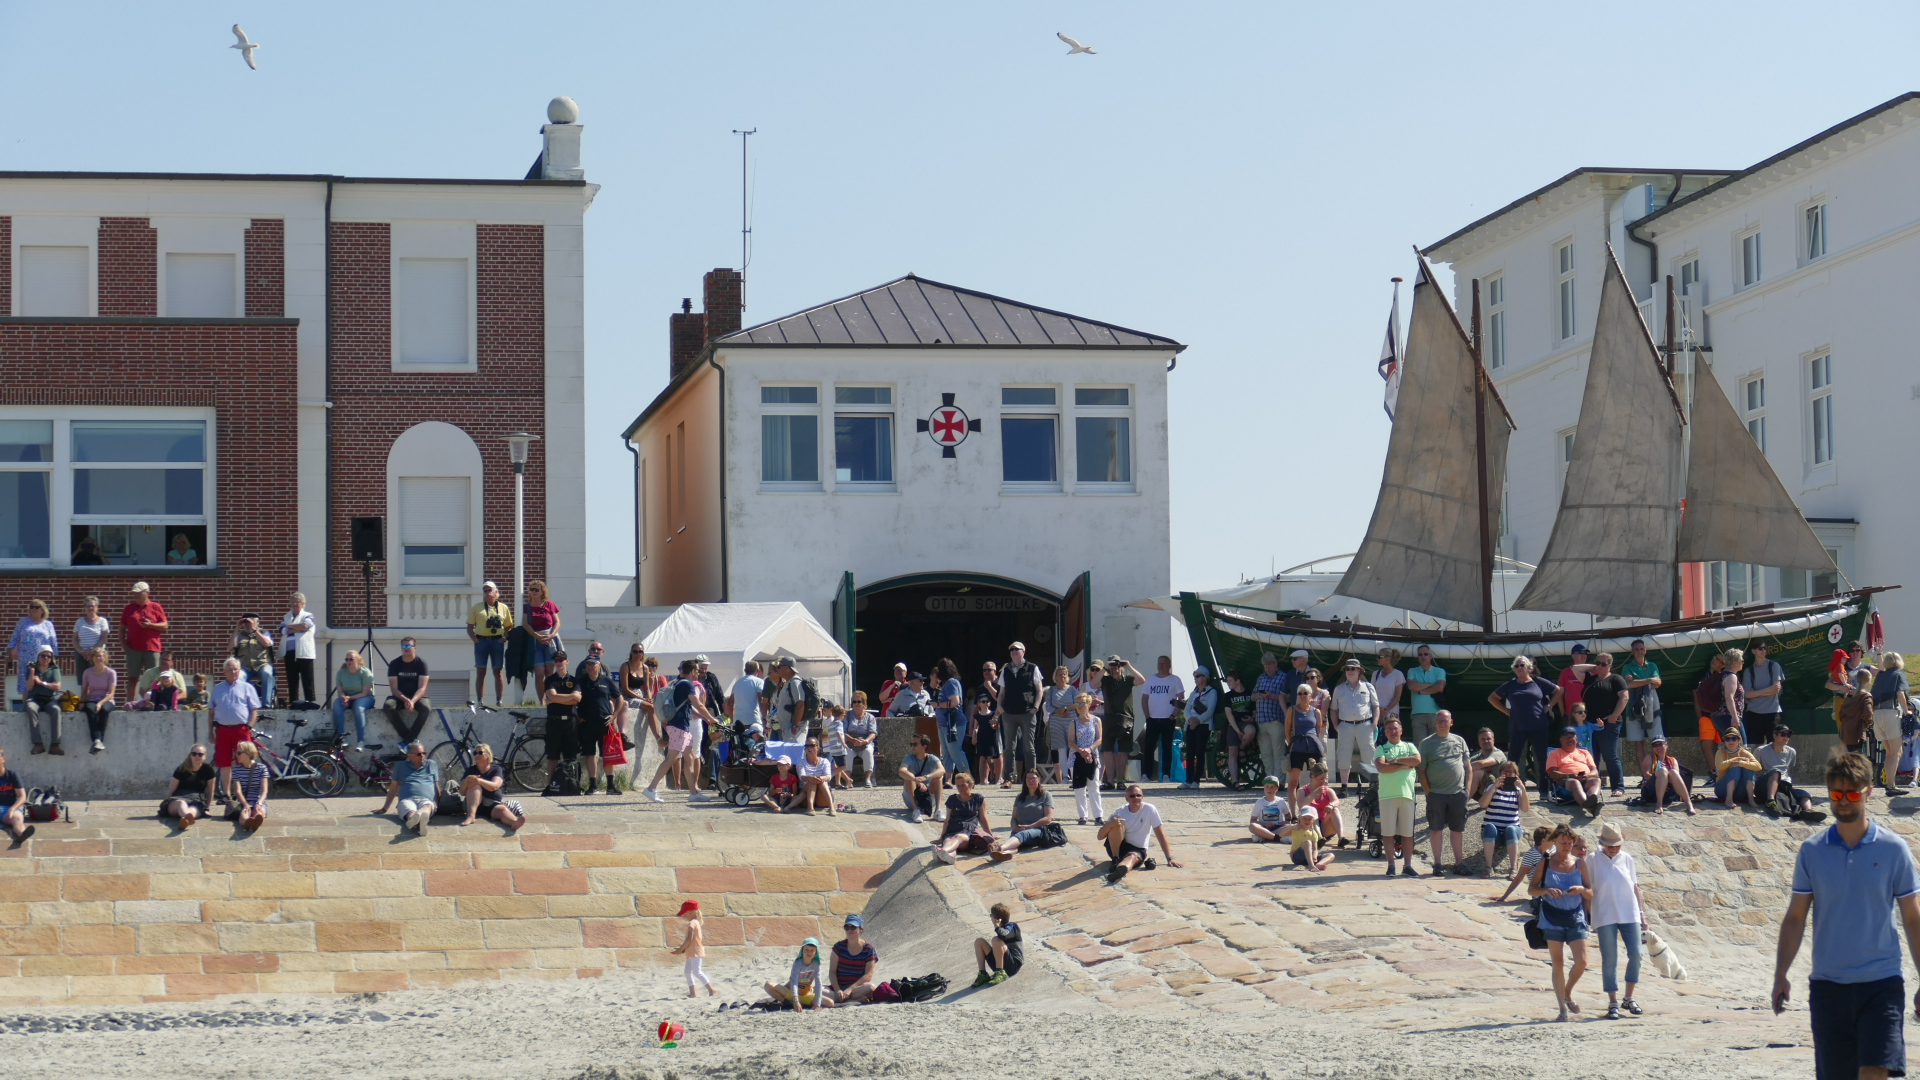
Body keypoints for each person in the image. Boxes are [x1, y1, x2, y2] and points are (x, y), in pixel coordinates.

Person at [1773, 751, 1920, 1080]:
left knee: (1873, 1071)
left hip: (1882, 984)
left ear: (1868, 792)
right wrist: (1781, 973)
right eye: (1836, 794)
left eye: (1852, 794)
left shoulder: (1894, 849)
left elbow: (1913, 918)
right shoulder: (1812, 851)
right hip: (1828, 987)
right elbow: (1796, 917)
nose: (1843, 801)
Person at [1530, 827, 1593, 1021]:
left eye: (1570, 843)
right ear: (1555, 842)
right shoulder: (1546, 862)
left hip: (1575, 916)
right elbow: (1532, 889)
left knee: (1582, 961)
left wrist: (1581, 889)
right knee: (1558, 963)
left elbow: (1591, 892)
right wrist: (1547, 890)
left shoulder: (1580, 863)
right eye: (1563, 842)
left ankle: (1567, 992)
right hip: (1551, 917)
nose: (1567, 846)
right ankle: (1562, 1010)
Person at [1587, 820, 1646, 1020]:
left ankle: (1628, 998)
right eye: (1610, 846)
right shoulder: (1593, 859)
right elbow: (1587, 888)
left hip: (1630, 913)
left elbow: (1635, 887)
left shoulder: (1627, 858)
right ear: (1602, 844)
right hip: (1604, 913)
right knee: (1610, 958)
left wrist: (1642, 914)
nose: (1613, 849)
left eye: (1617, 846)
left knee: (1637, 954)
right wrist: (1586, 914)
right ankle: (1613, 1001)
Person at [643, 659, 717, 803]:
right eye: (697, 671)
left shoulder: (678, 683)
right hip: (679, 727)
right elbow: (699, 705)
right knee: (671, 759)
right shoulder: (687, 684)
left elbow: (691, 707)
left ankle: (694, 793)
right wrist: (711, 718)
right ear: (693, 671)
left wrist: (706, 719)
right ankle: (651, 789)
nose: (699, 673)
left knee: (689, 757)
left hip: (680, 726)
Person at [1490, 656, 1561, 800]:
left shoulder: (1538, 682)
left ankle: (1544, 790)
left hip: (1539, 725)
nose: (1519, 668)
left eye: (1522, 665)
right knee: (1513, 758)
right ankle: (1512, 788)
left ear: (1529, 668)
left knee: (1542, 758)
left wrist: (1549, 705)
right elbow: (1492, 698)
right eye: (1516, 666)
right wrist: (1505, 711)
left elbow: (1559, 691)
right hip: (1518, 726)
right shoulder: (1510, 684)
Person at [1419, 708, 1472, 876]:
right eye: (1440, 720)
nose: (1443, 723)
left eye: (1446, 720)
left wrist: (1467, 790)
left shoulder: (1459, 741)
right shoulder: (1426, 743)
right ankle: (1437, 863)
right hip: (1436, 794)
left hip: (1457, 793)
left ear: (1451, 722)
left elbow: (1468, 767)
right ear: (1435, 723)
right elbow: (1422, 771)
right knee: (1436, 829)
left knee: (1457, 829)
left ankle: (1459, 863)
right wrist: (1429, 792)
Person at [1099, 784, 1181, 884]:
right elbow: (1100, 836)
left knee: (1131, 858)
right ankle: (1116, 860)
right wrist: (1111, 824)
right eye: (1132, 796)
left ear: (1143, 797)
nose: (1136, 798)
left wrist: (1169, 858)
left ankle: (1120, 870)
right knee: (1117, 825)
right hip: (1117, 847)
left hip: (1138, 849)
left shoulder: (1150, 809)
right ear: (1127, 798)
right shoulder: (1120, 811)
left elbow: (1161, 835)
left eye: (1138, 795)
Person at [1579, 652, 1630, 797]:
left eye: (1604, 664)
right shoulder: (1590, 679)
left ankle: (1618, 786)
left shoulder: (1616, 679)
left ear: (1610, 665)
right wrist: (1595, 666)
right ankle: (1593, 786)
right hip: (1590, 724)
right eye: (1598, 663)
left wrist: (1615, 715)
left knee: (1610, 755)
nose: (1600, 666)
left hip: (1609, 723)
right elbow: (1576, 669)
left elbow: (1624, 697)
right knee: (1591, 756)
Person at [1375, 718, 1421, 877]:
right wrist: (1404, 765)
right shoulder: (1381, 748)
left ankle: (1407, 865)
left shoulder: (1409, 746)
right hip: (1388, 795)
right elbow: (1381, 767)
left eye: (1395, 728)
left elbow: (1416, 760)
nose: (1393, 731)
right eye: (1389, 729)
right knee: (1388, 833)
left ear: (1401, 730)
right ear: (1385, 732)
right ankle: (1391, 864)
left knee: (1408, 833)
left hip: (1407, 794)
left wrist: (1394, 761)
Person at [208, 657, 260, 795]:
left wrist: (248, 727)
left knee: (244, 761)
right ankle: (227, 794)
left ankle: (245, 793)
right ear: (224, 671)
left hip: (241, 729)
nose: (233, 672)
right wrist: (210, 732)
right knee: (224, 763)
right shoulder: (217, 689)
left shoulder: (247, 687)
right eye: (230, 669)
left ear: (240, 670)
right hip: (223, 729)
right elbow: (211, 712)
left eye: (236, 669)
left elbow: (254, 710)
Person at [995, 642, 1045, 784]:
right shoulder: (1006, 669)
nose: (1014, 651)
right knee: (1009, 747)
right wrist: (1000, 707)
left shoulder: (1032, 668)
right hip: (1009, 712)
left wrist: (1035, 707)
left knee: (1028, 746)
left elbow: (1039, 690)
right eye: (1011, 650)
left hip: (1027, 712)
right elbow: (1002, 692)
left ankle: (1032, 777)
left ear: (1023, 651)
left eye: (1017, 649)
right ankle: (1008, 778)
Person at [1328, 657, 1379, 795]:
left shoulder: (1368, 687)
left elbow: (1376, 706)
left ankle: (1371, 786)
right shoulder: (1338, 689)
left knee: (1369, 753)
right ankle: (1344, 786)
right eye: (1347, 669)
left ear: (1359, 671)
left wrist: (1374, 722)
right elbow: (1333, 709)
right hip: (1345, 725)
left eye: (1353, 668)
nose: (1350, 671)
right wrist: (1336, 725)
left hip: (1365, 724)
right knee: (1343, 755)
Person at [991, 770, 1065, 860]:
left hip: (1038, 829)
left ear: (1039, 780)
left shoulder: (1046, 795)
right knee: (1017, 842)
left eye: (1033, 778)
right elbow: (1014, 817)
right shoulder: (1020, 797)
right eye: (1028, 778)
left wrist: (1030, 826)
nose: (1030, 781)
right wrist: (1014, 827)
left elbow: (1049, 818)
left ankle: (1000, 848)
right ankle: (1003, 854)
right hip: (1020, 829)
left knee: (1023, 834)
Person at [575, 655, 621, 795]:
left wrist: (614, 716)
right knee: (589, 754)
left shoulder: (606, 681)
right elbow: (574, 698)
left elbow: (620, 698)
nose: (590, 667)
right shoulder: (581, 682)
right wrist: (577, 716)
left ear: (599, 666)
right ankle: (593, 785)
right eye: (588, 664)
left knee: (607, 754)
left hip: (604, 723)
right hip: (587, 724)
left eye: (593, 664)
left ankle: (610, 785)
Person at [1755, 725, 1820, 822]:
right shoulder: (1761, 751)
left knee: (1804, 794)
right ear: (1775, 735)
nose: (1786, 737)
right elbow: (1755, 770)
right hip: (1765, 785)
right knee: (1776, 772)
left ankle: (1808, 811)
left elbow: (1788, 770)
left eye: (1788, 735)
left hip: (1783, 785)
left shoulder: (1791, 752)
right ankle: (1770, 802)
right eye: (1783, 734)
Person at [1098, 655, 1144, 790]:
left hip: (1126, 718)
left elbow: (1141, 680)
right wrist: (1105, 668)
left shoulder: (1128, 679)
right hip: (1110, 718)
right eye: (1113, 665)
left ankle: (1120, 781)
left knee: (1123, 751)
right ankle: (1110, 781)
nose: (1115, 667)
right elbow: (1093, 683)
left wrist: (1128, 666)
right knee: (1107, 750)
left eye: (1117, 665)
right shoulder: (1106, 680)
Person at [118, 583, 168, 706]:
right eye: (135, 593)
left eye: (139, 593)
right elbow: (122, 628)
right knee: (132, 677)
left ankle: (152, 703)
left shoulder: (156, 607)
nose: (136, 595)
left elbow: (165, 626)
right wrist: (124, 645)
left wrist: (150, 625)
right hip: (133, 649)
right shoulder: (129, 608)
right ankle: (130, 704)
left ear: (147, 593)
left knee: (154, 678)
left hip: (152, 648)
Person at [1477, 760, 1530, 877]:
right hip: (1493, 831)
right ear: (1500, 773)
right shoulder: (1492, 787)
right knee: (1489, 827)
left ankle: (1513, 868)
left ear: (1516, 775)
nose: (1508, 774)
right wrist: (1495, 787)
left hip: (1511, 830)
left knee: (1511, 829)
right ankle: (1488, 867)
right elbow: (1483, 804)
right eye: (1505, 771)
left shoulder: (1518, 790)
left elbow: (1525, 809)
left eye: (1512, 772)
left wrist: (1523, 789)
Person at [1619, 639, 1664, 776]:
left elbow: (1658, 683)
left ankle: (1660, 772)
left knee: (1658, 742)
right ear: (1633, 652)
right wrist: (1649, 680)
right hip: (1634, 708)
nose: (1640, 651)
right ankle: (1645, 776)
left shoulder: (1652, 666)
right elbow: (1628, 684)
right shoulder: (1628, 667)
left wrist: (1639, 681)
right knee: (1639, 743)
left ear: (1645, 650)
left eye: (1641, 649)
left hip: (1652, 707)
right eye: (1637, 649)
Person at [466, 580, 514, 706]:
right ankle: (480, 700)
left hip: (497, 641)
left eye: (490, 590)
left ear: (496, 592)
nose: (487, 593)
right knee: (481, 670)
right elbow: (470, 626)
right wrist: (475, 639)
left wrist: (504, 638)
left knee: (498, 671)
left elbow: (509, 626)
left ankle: (499, 700)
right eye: (485, 591)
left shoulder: (503, 608)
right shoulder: (477, 607)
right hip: (481, 641)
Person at [541, 649, 582, 794]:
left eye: (561, 660)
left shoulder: (574, 680)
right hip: (554, 722)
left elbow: (577, 699)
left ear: (567, 661)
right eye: (556, 660)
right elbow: (551, 697)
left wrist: (558, 698)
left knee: (571, 756)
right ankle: (550, 786)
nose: (558, 663)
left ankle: (572, 785)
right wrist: (568, 699)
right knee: (553, 756)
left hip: (570, 722)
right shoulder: (550, 680)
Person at [1139, 655, 1185, 784]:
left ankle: (1166, 775)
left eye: (1164, 663)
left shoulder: (1175, 680)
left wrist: (1174, 715)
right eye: (1159, 663)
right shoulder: (1151, 680)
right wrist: (1147, 715)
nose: (1161, 665)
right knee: (1148, 747)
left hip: (1168, 719)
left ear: (1169, 665)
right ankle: (1146, 775)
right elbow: (1144, 699)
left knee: (1167, 748)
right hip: (1152, 719)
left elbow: (1181, 700)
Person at [458, 744, 525, 830]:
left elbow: (494, 786)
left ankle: (514, 822)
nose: (477, 755)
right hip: (471, 805)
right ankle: (471, 816)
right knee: (475, 786)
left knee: (502, 810)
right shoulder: (471, 770)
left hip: (491, 804)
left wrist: (479, 781)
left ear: (488, 755)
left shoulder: (496, 769)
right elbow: (462, 792)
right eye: (475, 753)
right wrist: (466, 781)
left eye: (480, 752)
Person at [380, 742, 442, 835]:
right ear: (409, 756)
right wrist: (384, 808)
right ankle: (418, 820)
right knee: (409, 809)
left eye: (424, 753)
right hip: (407, 798)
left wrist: (438, 805)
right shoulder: (400, 765)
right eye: (419, 754)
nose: (422, 756)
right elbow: (393, 788)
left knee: (428, 806)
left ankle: (417, 820)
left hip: (427, 799)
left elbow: (437, 786)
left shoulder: (431, 764)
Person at [1872, 653, 1912, 794]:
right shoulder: (1898, 674)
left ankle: (1889, 784)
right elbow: (1900, 694)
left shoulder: (1881, 675)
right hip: (1890, 713)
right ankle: (1891, 786)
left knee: (1889, 753)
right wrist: (1907, 711)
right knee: (1896, 752)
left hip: (1877, 715)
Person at [8, 598, 58, 708]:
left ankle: (43, 705)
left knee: (42, 680)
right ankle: (27, 707)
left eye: (37, 607)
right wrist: (10, 652)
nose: (34, 609)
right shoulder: (24, 621)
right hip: (26, 657)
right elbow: (15, 636)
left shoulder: (48, 625)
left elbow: (53, 640)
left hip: (43, 658)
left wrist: (54, 657)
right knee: (26, 681)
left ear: (43, 610)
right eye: (32, 607)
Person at [933, 771, 991, 863]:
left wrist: (989, 835)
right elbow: (947, 819)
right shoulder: (952, 799)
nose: (960, 788)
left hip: (968, 830)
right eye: (958, 786)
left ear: (971, 784)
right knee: (948, 841)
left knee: (958, 837)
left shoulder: (978, 799)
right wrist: (941, 837)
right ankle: (948, 857)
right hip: (952, 828)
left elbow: (983, 819)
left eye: (963, 785)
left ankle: (942, 851)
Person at [1285, 683, 1326, 811]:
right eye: (1300, 693)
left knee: (1317, 780)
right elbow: (1287, 730)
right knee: (1293, 783)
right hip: (1297, 747)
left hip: (1313, 747)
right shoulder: (1292, 710)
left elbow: (1318, 731)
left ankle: (1315, 810)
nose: (1303, 696)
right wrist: (1294, 742)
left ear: (1310, 695)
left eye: (1305, 693)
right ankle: (1293, 813)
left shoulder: (1316, 712)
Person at [384, 637, 433, 745]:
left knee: (426, 708)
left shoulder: (421, 664)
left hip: (417, 697)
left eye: (409, 646)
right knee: (388, 706)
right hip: (399, 697)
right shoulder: (394, 664)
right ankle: (408, 737)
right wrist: (406, 700)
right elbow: (394, 689)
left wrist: (412, 701)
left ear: (415, 648)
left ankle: (409, 740)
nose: (406, 648)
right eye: (404, 646)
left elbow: (422, 688)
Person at [1252, 652, 1290, 791]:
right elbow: (1252, 696)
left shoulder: (1283, 677)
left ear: (1275, 664)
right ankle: (1269, 781)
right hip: (1261, 721)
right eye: (1265, 666)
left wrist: (1271, 697)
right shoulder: (1261, 678)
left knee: (1278, 753)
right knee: (1266, 754)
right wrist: (1258, 696)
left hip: (1276, 720)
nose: (1267, 668)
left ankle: (1279, 782)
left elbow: (1288, 698)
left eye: (1269, 665)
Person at [1496, 825, 1559, 904]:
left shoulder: (1553, 850)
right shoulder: (1531, 855)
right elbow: (1519, 877)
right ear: (1543, 841)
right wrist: (1504, 897)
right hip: (1541, 892)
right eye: (1552, 840)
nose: (1554, 842)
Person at [1546, 727, 1602, 814]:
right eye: (1567, 737)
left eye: (1573, 737)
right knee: (1574, 782)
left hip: (1586, 778)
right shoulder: (1555, 753)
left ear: (1577, 739)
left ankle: (1592, 800)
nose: (1570, 739)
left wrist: (1587, 775)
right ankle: (1590, 808)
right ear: (1561, 740)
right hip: (1567, 780)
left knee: (1596, 780)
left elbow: (1595, 771)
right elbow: (1553, 773)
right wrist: (1570, 775)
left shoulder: (1584, 752)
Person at [1068, 691, 1103, 825]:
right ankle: (1083, 815)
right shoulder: (1074, 723)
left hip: (1092, 756)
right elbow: (1071, 741)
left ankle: (1098, 815)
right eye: (1078, 704)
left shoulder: (1096, 720)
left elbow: (1099, 739)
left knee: (1094, 786)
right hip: (1077, 757)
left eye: (1083, 703)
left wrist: (1089, 749)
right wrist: (1081, 750)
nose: (1080, 706)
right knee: (1079, 788)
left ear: (1089, 704)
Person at [765, 938, 828, 1012]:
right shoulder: (798, 963)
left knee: (830, 1003)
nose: (809, 952)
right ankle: (787, 1003)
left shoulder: (817, 964)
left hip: (805, 993)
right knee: (768, 985)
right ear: (802, 950)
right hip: (791, 992)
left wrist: (817, 1004)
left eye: (812, 950)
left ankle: (802, 1004)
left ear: (816, 953)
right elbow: (794, 982)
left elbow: (818, 984)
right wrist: (796, 1001)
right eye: (806, 949)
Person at [827, 913, 878, 1004]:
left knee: (870, 987)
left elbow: (869, 974)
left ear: (861, 929)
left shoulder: (869, 949)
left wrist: (850, 989)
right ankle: (851, 1000)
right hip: (839, 987)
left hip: (856, 988)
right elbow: (832, 971)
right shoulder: (838, 947)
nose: (849, 930)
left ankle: (843, 1000)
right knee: (816, 990)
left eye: (853, 927)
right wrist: (838, 990)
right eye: (847, 927)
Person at [1183, 667, 1220, 789]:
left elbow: (1210, 710)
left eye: (1198, 676)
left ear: (1205, 678)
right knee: (1189, 752)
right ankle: (1188, 779)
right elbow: (1187, 709)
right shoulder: (1193, 693)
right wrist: (1190, 720)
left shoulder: (1211, 692)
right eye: (1195, 676)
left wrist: (1198, 720)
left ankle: (1196, 780)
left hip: (1203, 725)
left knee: (1199, 752)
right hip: (1191, 724)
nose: (1195, 679)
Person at [330, 651, 376, 750]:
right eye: (347, 659)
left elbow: (365, 693)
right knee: (337, 704)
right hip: (348, 698)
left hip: (365, 698)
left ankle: (360, 741)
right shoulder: (340, 673)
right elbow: (340, 691)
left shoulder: (365, 672)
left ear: (358, 660)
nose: (348, 662)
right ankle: (342, 738)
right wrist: (343, 697)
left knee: (358, 707)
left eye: (351, 659)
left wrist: (350, 698)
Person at [670, 900, 716, 998]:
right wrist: (683, 949)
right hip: (692, 952)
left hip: (696, 951)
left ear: (691, 912)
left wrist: (680, 949)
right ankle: (693, 993)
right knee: (687, 972)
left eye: (684, 914)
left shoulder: (692, 923)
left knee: (697, 972)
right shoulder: (696, 922)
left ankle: (711, 989)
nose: (683, 916)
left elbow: (689, 939)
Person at [932, 658, 969, 777]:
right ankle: (948, 779)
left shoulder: (952, 683)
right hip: (944, 723)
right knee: (946, 752)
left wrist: (937, 705)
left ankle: (967, 775)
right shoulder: (946, 684)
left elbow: (955, 702)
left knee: (955, 751)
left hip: (953, 723)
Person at [1042, 666, 1079, 785]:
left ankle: (1075, 775)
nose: (1062, 676)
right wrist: (1057, 711)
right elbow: (1048, 706)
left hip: (1071, 720)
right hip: (1056, 722)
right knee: (1061, 749)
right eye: (1060, 674)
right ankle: (1066, 777)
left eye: (1064, 674)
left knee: (1072, 747)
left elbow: (1078, 703)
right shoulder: (1051, 690)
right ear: (1056, 677)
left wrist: (1065, 709)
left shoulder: (1073, 690)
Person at [229, 615, 276, 706]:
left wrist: (255, 630)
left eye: (250, 622)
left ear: (257, 623)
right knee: (237, 677)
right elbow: (231, 647)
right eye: (246, 623)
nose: (247, 625)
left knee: (267, 674)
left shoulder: (264, 632)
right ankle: (240, 704)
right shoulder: (240, 635)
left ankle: (266, 704)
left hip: (262, 664)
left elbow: (267, 644)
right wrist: (237, 629)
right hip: (245, 666)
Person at [23, 648, 63, 755]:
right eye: (43, 656)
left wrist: (41, 683)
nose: (46, 658)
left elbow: (57, 686)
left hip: (49, 699)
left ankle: (55, 745)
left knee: (56, 710)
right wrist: (32, 672)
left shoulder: (54, 669)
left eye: (48, 656)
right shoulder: (32, 669)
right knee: (30, 708)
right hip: (35, 698)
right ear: (38, 657)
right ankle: (38, 743)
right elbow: (30, 687)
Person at [1403, 646, 1447, 744]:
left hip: (1436, 713)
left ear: (1431, 656)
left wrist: (1420, 691)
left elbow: (1439, 688)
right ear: (1418, 657)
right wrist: (1432, 685)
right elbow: (1411, 686)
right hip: (1417, 713)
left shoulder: (1440, 671)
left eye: (1426, 654)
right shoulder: (1412, 670)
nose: (1423, 656)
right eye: (1420, 654)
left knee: (1436, 745)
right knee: (1420, 746)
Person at [898, 734, 946, 824]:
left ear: (924, 746)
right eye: (911, 744)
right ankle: (916, 811)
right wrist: (916, 780)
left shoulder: (932, 758)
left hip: (928, 798)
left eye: (915, 744)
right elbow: (902, 771)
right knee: (908, 778)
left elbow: (942, 770)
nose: (912, 746)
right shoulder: (909, 758)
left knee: (939, 777)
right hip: (912, 798)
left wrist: (926, 777)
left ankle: (938, 810)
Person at [972, 903, 1023, 986]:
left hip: (1013, 965)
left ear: (997, 918)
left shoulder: (1012, 926)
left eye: (991, 915)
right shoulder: (1001, 929)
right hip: (1002, 962)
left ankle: (1000, 972)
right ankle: (983, 973)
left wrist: (996, 926)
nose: (991, 917)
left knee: (995, 940)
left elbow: (1004, 935)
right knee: (979, 941)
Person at [1220, 672, 1256, 790]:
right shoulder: (1228, 696)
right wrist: (1237, 731)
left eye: (1230, 680)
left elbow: (1255, 709)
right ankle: (1235, 781)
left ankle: (1242, 748)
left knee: (1251, 731)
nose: (1229, 683)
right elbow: (1229, 714)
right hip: (1233, 725)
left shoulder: (1249, 693)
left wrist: (1252, 718)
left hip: (1246, 722)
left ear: (1238, 681)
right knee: (1232, 751)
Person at [279, 594, 317, 705]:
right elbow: (282, 631)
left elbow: (305, 626)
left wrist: (289, 627)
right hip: (289, 652)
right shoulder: (286, 616)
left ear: (303, 604)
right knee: (292, 679)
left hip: (304, 652)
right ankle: (293, 702)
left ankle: (310, 702)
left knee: (307, 678)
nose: (296, 604)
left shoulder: (308, 615)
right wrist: (297, 627)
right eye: (294, 602)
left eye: (298, 602)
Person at [78, 646, 118, 754]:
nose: (98, 658)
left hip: (107, 700)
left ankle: (98, 740)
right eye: (96, 656)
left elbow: (111, 693)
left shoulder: (111, 673)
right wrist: (82, 702)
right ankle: (97, 740)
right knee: (90, 709)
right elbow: (84, 690)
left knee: (104, 710)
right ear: (92, 658)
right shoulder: (87, 672)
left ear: (105, 658)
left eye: (101, 656)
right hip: (92, 699)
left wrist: (101, 703)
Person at [1712, 728, 1764, 808]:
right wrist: (1736, 759)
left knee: (1748, 768)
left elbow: (1758, 767)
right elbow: (1720, 766)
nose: (1731, 741)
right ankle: (1728, 799)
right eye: (1728, 739)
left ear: (1739, 740)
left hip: (1740, 792)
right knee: (1734, 769)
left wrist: (1741, 763)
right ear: (1724, 741)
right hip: (1723, 790)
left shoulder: (1744, 752)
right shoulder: (1720, 752)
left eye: (1734, 738)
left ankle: (1751, 799)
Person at [523, 580, 562, 688]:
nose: (534, 592)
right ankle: (541, 700)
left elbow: (557, 622)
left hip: (550, 640)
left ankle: (550, 696)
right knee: (539, 673)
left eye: (536, 589)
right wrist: (538, 636)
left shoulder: (549, 604)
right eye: (532, 589)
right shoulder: (527, 607)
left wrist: (552, 635)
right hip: (536, 643)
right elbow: (525, 624)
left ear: (542, 592)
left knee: (549, 672)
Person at [971, 661, 1004, 788]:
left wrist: (990, 686)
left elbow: (999, 699)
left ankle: (998, 777)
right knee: (983, 755)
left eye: (989, 670)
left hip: (997, 720)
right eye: (984, 670)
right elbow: (975, 709)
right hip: (983, 721)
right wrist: (972, 729)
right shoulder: (980, 688)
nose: (986, 672)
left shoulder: (1000, 684)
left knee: (997, 752)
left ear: (995, 671)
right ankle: (984, 779)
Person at [1645, 737, 1695, 817]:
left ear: (1666, 746)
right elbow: (1647, 775)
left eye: (1660, 744)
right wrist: (1662, 777)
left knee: (1673, 772)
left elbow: (1675, 777)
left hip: (1669, 789)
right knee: (1663, 770)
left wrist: (1665, 780)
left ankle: (1688, 802)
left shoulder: (1672, 760)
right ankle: (1659, 803)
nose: (1658, 747)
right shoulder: (1649, 758)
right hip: (1653, 787)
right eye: (1655, 745)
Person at [227, 741, 270, 832]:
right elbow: (237, 791)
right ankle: (247, 822)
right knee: (244, 813)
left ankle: (255, 822)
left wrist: (259, 803)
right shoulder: (236, 770)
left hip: (258, 800)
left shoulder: (262, 768)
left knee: (259, 812)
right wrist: (246, 804)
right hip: (244, 800)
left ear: (249, 753)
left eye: (239, 753)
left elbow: (264, 790)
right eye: (236, 753)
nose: (236, 755)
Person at [765, 657, 811, 742]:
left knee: (792, 754)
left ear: (787, 668)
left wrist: (795, 726)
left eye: (779, 667)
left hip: (793, 729)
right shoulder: (789, 682)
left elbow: (800, 704)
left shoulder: (795, 682)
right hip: (787, 729)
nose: (777, 669)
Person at [1300, 762, 1345, 849]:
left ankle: (1341, 838)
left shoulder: (1328, 790)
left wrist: (1331, 805)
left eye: (1326, 778)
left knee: (1335, 809)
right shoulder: (1302, 791)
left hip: (1325, 825)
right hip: (1310, 824)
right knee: (1312, 811)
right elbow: (1302, 806)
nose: (1324, 781)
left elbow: (1336, 801)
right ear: (1313, 777)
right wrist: (1314, 793)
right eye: (1321, 779)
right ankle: (1319, 838)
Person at [843, 691, 877, 787]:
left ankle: (868, 779)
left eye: (859, 701)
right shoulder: (847, 716)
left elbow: (873, 733)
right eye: (854, 702)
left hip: (865, 743)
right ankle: (848, 780)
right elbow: (843, 732)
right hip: (850, 743)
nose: (856, 704)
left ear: (864, 704)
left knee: (868, 752)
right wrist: (853, 740)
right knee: (847, 753)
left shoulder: (870, 717)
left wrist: (866, 741)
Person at [72, 596, 109, 681]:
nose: (90, 608)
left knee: (96, 680)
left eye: (92, 606)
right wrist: (81, 652)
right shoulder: (79, 622)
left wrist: (92, 652)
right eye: (88, 606)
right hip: (82, 655)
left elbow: (103, 639)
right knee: (84, 682)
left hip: (97, 655)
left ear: (97, 607)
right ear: (84, 607)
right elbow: (74, 640)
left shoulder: (102, 621)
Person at [796, 737, 835, 815]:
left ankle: (831, 807)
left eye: (812, 745)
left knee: (821, 781)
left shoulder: (825, 761)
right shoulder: (801, 762)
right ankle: (810, 808)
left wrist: (820, 778)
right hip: (805, 795)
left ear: (818, 747)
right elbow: (802, 777)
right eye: (807, 746)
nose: (809, 748)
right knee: (811, 781)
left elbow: (828, 777)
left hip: (821, 795)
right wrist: (811, 778)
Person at [1371, 648, 1406, 734]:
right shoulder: (1376, 674)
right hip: (1377, 713)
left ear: (1388, 659)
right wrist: (1379, 710)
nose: (1377, 659)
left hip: (1392, 713)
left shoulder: (1398, 674)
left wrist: (1385, 711)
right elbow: (1372, 694)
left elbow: (1397, 697)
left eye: (1380, 657)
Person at [1467, 726, 1508, 799]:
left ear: (1493, 740)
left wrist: (1462, 768)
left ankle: (1464, 802)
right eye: (1483, 739)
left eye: (1488, 739)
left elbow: (1481, 764)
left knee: (1476, 772)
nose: (1486, 741)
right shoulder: (1479, 756)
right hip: (1486, 791)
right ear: (1479, 741)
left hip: (1500, 789)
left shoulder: (1498, 753)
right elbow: (1466, 763)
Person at [1246, 776, 1290, 843]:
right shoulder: (1259, 802)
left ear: (1277, 788)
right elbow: (1253, 820)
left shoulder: (1281, 801)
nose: (1269, 789)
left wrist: (1286, 821)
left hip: (1278, 827)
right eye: (1267, 787)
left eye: (1272, 787)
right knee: (1252, 826)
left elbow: (1288, 815)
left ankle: (1265, 836)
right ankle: (1277, 838)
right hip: (1264, 828)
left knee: (1292, 826)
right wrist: (1264, 823)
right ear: (1264, 788)